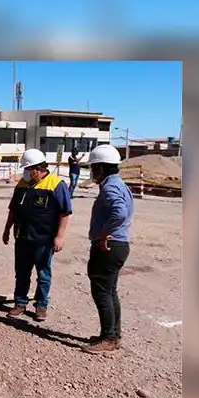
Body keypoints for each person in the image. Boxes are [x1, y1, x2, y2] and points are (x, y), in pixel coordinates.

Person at [2, 148, 73, 322]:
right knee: (22, 273)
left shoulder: (56, 185)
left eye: (28, 169)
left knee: (43, 274)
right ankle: (20, 302)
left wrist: (60, 236)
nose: (25, 173)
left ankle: (41, 305)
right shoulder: (22, 184)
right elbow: (13, 209)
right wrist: (7, 229)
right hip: (22, 237)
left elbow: (65, 212)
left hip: (44, 239)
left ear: (37, 169)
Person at [81, 144, 135, 354]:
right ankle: (113, 334)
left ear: (102, 168)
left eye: (93, 168)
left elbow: (119, 213)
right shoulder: (119, 184)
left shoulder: (110, 187)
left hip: (109, 245)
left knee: (102, 292)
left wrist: (104, 233)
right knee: (109, 291)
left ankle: (109, 338)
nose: (92, 172)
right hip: (118, 244)